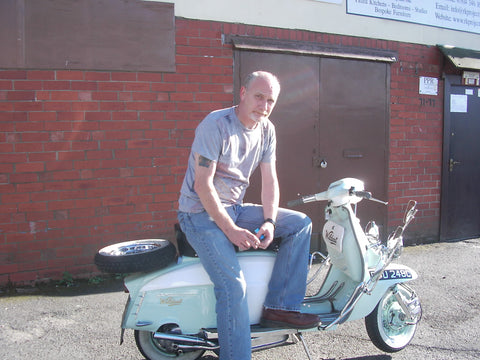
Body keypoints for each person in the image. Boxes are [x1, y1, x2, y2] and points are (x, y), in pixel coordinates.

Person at [177, 71, 320, 360]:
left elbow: (270, 181)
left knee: (300, 225)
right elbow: (202, 185)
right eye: (259, 97)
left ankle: (280, 307)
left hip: (236, 208)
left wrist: (269, 220)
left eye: (271, 100)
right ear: (242, 93)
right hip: (198, 213)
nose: (264, 106)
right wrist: (230, 230)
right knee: (233, 285)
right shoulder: (215, 125)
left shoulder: (267, 129)